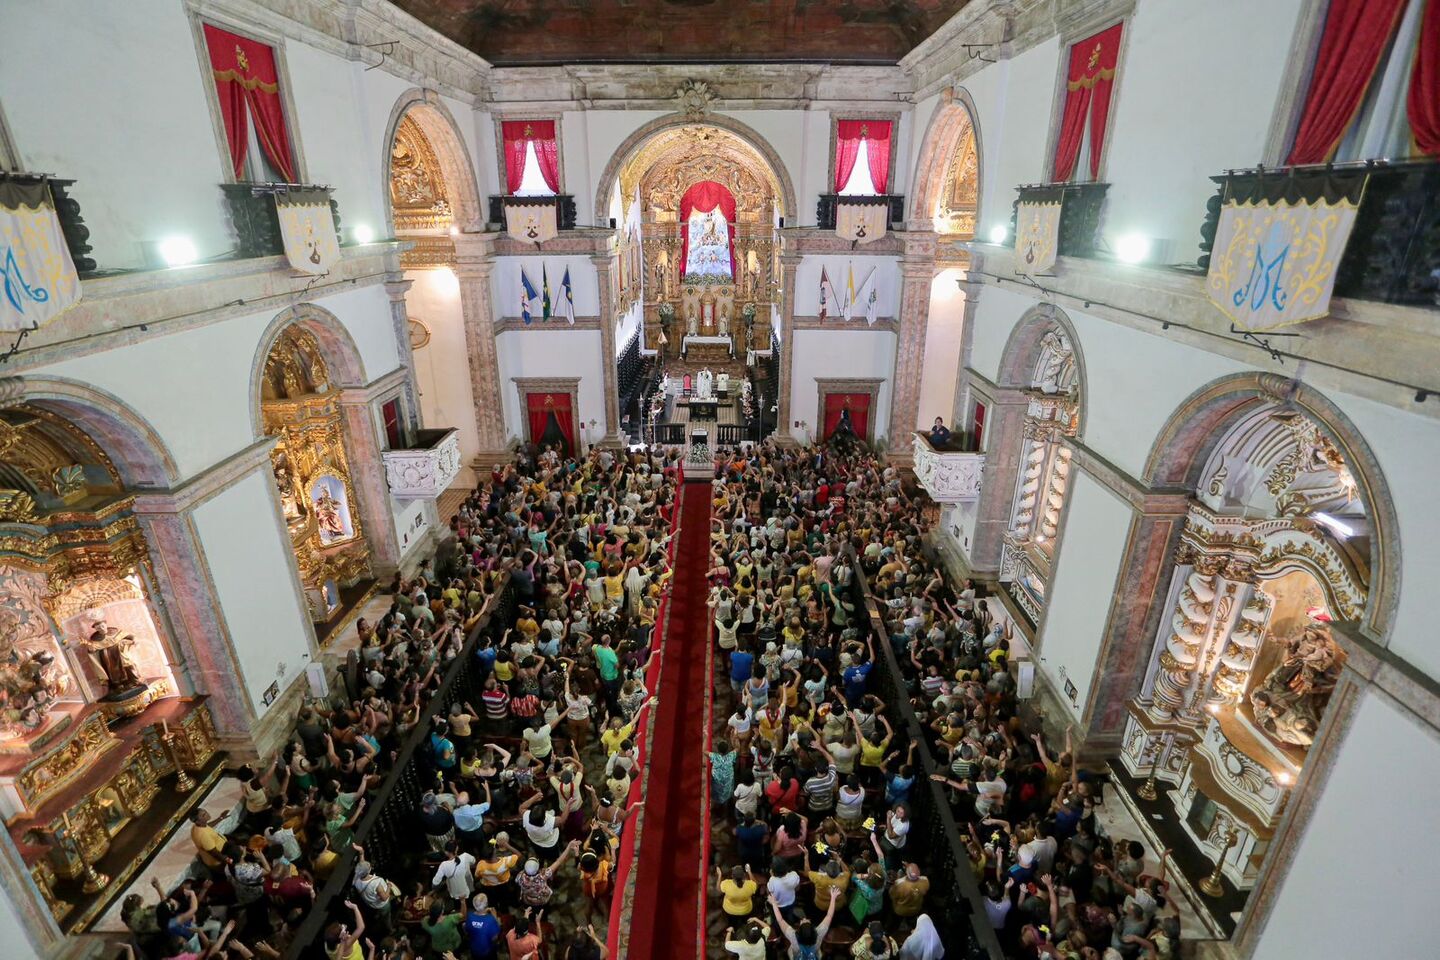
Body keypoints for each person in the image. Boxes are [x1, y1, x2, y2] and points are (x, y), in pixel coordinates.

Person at [771, 886, 839, 960]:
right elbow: (829, 916)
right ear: (814, 930)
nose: (804, 919)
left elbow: (780, 920)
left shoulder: (792, 936)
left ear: (798, 932)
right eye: (806, 921)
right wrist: (833, 897)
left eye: (803, 921)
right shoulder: (819, 932)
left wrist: (774, 903)